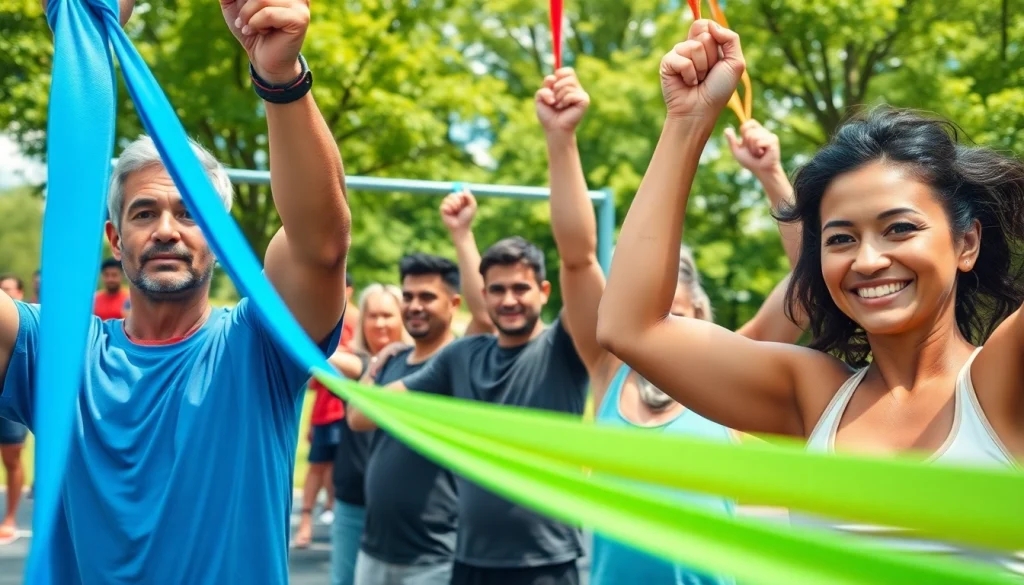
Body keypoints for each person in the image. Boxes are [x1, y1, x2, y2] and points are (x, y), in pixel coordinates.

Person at [598, 20, 1023, 574]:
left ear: (966, 242)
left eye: (899, 229)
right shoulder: (812, 396)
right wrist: (687, 120)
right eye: (841, 238)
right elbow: (630, 328)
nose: (868, 260)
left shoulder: (1003, 379)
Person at [0, 0, 351, 582]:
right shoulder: (54, 349)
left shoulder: (257, 346)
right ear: (115, 238)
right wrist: (80, 37)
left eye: (191, 214)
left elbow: (322, 246)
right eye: (144, 213)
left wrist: (280, 79)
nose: (166, 229)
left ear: (218, 239)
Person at [351, 68, 602, 585]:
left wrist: (561, 139)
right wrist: (374, 365)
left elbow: (578, 258)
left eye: (521, 288)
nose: (509, 299)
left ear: (544, 293)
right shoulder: (461, 359)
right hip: (468, 565)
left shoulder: (563, 349)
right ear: (483, 297)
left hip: (546, 565)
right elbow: (365, 415)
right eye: (498, 289)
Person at [589, 118, 805, 585]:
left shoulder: (723, 373)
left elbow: (809, 287)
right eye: (650, 319)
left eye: (675, 317)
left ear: (701, 315)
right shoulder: (611, 368)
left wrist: (772, 176)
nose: (659, 337)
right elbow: (579, 259)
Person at [353, 252, 467, 585]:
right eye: (408, 296)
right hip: (375, 549)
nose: (414, 305)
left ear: (454, 303)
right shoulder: (394, 360)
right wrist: (379, 361)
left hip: (433, 556)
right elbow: (356, 417)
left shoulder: (461, 362)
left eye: (427, 297)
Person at [332, 284, 411, 585]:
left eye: (388, 316)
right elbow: (315, 354)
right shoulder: (358, 365)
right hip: (353, 500)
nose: (379, 324)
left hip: (402, 504)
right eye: (373, 316)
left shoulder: (423, 365)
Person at [294, 273, 361, 549]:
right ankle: (308, 522)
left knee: (339, 466)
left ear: (349, 290)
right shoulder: (321, 317)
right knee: (319, 464)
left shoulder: (355, 319)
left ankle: (333, 514)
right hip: (325, 408)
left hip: (351, 410)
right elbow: (312, 378)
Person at [0, 275, 27, 546]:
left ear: (19, 293)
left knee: (11, 459)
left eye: (9, 291)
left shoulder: (31, 325)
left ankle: (10, 518)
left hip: (15, 397)